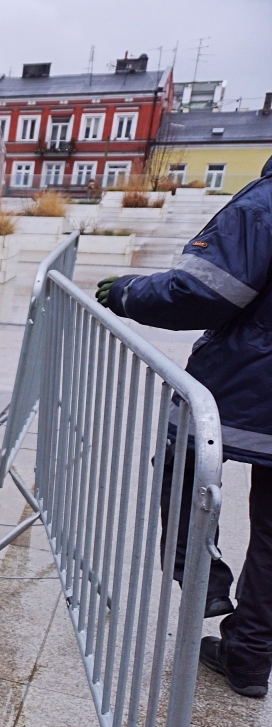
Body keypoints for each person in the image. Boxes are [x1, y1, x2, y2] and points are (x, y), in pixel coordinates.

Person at [97, 155, 272, 698]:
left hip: (251, 390)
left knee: (183, 471)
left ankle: (203, 583)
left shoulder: (264, 205)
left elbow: (206, 291)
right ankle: (249, 656)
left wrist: (127, 293)